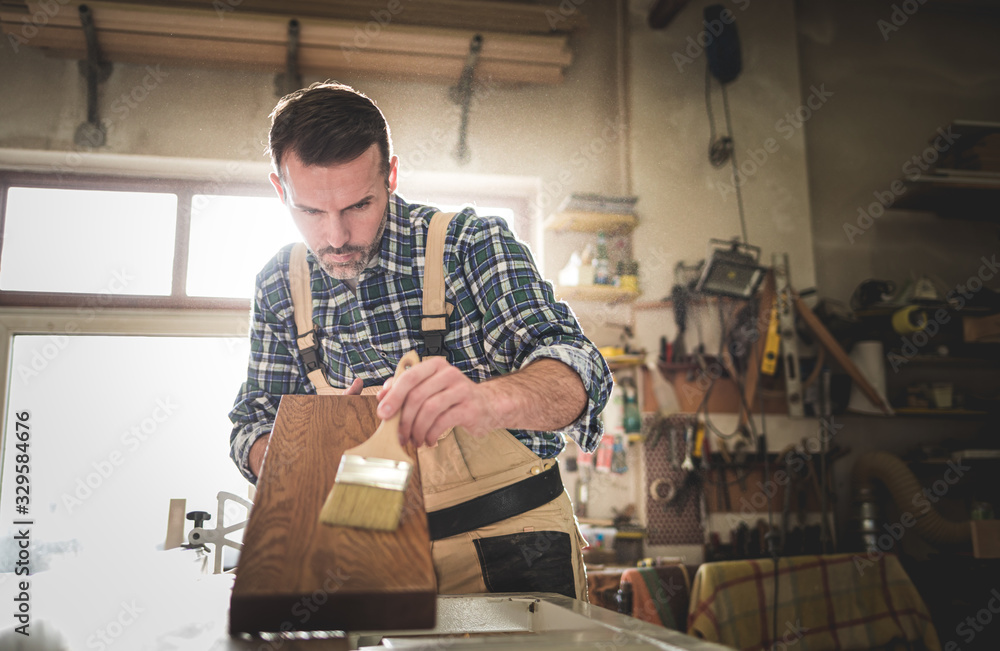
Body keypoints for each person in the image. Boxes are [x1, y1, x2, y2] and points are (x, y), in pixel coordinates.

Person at [229, 81, 612, 601]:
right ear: (281, 190)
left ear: (390, 174)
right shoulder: (279, 284)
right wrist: (306, 452)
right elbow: (251, 423)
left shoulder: (469, 245)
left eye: (359, 205)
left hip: (514, 548)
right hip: (367, 558)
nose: (336, 237)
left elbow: (577, 369)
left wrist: (486, 400)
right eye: (311, 212)